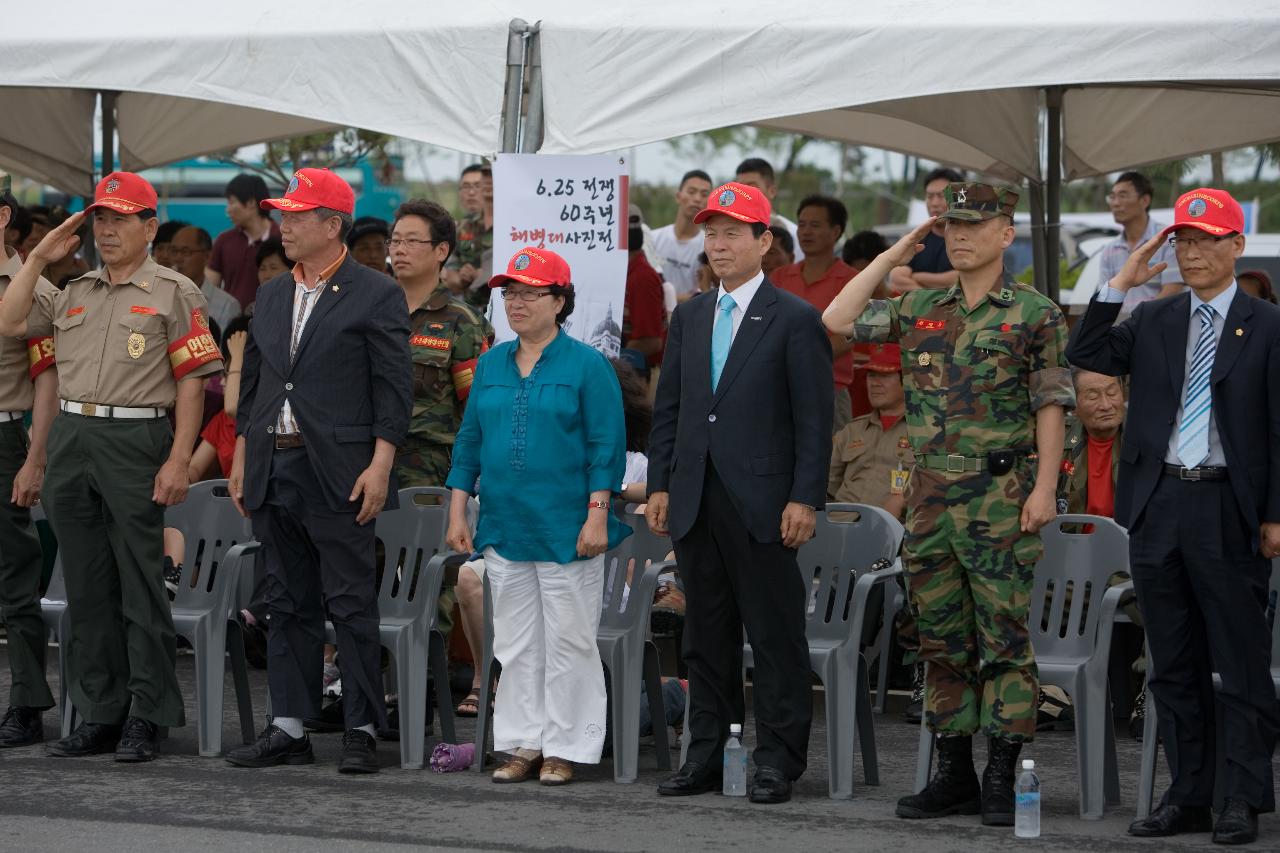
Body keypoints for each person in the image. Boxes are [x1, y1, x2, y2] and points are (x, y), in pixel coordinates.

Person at [823, 182, 1074, 826]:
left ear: (1005, 233)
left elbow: (1051, 404)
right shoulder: (922, 306)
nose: (957, 235)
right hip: (931, 497)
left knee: (1003, 638)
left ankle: (1003, 770)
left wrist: (1046, 488)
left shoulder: (1033, 312)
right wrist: (895, 253)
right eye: (948, 225)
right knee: (939, 638)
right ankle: (954, 770)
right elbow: (838, 320)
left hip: (1001, 494)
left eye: (972, 224)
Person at [1066, 187, 1280, 845]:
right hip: (1159, 503)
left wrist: (1275, 514)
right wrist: (1119, 280)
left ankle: (1240, 795)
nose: (1192, 253)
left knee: (1239, 661)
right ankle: (1187, 793)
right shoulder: (1155, 319)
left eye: (1206, 240)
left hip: (1228, 504)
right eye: (1183, 240)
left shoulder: (1268, 325)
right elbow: (1089, 354)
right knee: (1172, 662)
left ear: (1236, 245)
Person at [0, 171, 223, 762]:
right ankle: (101, 712)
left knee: (140, 582)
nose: (107, 230)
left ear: (150, 227)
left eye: (120, 219)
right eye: (100, 219)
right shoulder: (72, 289)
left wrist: (179, 458)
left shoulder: (176, 291)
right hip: (73, 435)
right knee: (87, 584)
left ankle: (147, 714)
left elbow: (194, 384)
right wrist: (40, 257)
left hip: (137, 435)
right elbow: (9, 320)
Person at [648, 181, 833, 805]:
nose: (719, 244)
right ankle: (704, 753)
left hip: (766, 502)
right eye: (712, 233)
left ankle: (778, 758)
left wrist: (805, 498)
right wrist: (663, 484)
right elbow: (669, 406)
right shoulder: (693, 314)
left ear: (764, 241)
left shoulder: (796, 320)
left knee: (775, 636)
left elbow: (814, 419)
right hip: (697, 495)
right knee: (705, 634)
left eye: (733, 232)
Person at [224, 168, 411, 775]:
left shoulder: (375, 291)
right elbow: (253, 387)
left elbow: (392, 390)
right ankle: (288, 725)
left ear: (333, 225)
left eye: (298, 217)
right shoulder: (273, 292)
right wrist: (244, 458)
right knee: (286, 599)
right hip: (274, 463)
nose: (285, 226)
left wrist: (380, 464)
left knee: (351, 601)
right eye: (283, 215)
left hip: (339, 467)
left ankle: (359, 725)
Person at [444, 246, 629, 786]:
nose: (515, 303)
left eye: (529, 293)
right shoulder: (491, 363)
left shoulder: (588, 365)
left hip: (566, 526)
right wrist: (459, 511)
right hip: (504, 523)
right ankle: (523, 742)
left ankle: (566, 746)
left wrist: (597, 516)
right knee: (516, 642)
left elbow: (606, 448)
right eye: (509, 293)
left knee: (570, 640)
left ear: (559, 300)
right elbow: (469, 443)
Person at [0, 177, 59, 748]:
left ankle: (25, 702)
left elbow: (47, 381)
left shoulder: (32, 290)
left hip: (3, 438)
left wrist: (34, 457)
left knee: (15, 576)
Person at [771, 195, 859, 431]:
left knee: (829, 465)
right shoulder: (779, 277)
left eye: (815, 225)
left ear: (835, 231)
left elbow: (852, 334)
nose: (806, 232)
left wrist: (802, 358)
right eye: (801, 224)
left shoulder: (852, 281)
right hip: (779, 390)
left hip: (828, 391)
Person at [1096, 171, 1183, 314]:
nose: (1115, 203)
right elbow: (1104, 296)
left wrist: (1138, 321)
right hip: (1121, 330)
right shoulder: (1109, 251)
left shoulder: (1167, 239)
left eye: (1122, 196)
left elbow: (1173, 289)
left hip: (1160, 326)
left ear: (1145, 201)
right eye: (1112, 197)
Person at [187, 318, 250, 481]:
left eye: (229, 374)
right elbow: (195, 467)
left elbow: (233, 408)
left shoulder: (265, 417)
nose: (222, 381)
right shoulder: (222, 421)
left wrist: (238, 356)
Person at [207, 173, 281, 310]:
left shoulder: (283, 240)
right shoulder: (223, 241)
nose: (228, 210)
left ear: (251, 203)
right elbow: (209, 290)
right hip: (230, 325)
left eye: (231, 202)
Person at [888, 168, 962, 295]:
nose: (934, 203)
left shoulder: (969, 239)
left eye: (941, 196)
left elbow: (963, 278)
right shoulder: (915, 238)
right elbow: (897, 279)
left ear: (959, 198)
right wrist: (933, 302)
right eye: (929, 196)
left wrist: (917, 277)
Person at [650, 170, 713, 300]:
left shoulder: (710, 247)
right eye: (691, 192)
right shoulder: (653, 238)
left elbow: (705, 294)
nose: (697, 199)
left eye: (704, 194)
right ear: (678, 196)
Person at [623, 204, 666, 373]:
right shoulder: (629, 274)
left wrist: (609, 360)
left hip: (641, 376)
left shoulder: (642, 278)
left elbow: (651, 341)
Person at [171, 226, 239, 331]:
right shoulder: (162, 296)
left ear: (207, 256)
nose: (178, 258)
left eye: (185, 252)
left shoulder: (227, 305)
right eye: (174, 251)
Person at [444, 164, 494, 309]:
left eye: (478, 186)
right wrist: (462, 276)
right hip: (469, 313)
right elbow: (449, 275)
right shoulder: (459, 229)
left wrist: (483, 275)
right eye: (466, 187)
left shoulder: (509, 226)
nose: (471, 192)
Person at [734, 158, 803, 261]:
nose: (744, 194)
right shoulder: (732, 232)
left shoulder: (794, 234)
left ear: (772, 191)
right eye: (740, 189)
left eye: (752, 187)